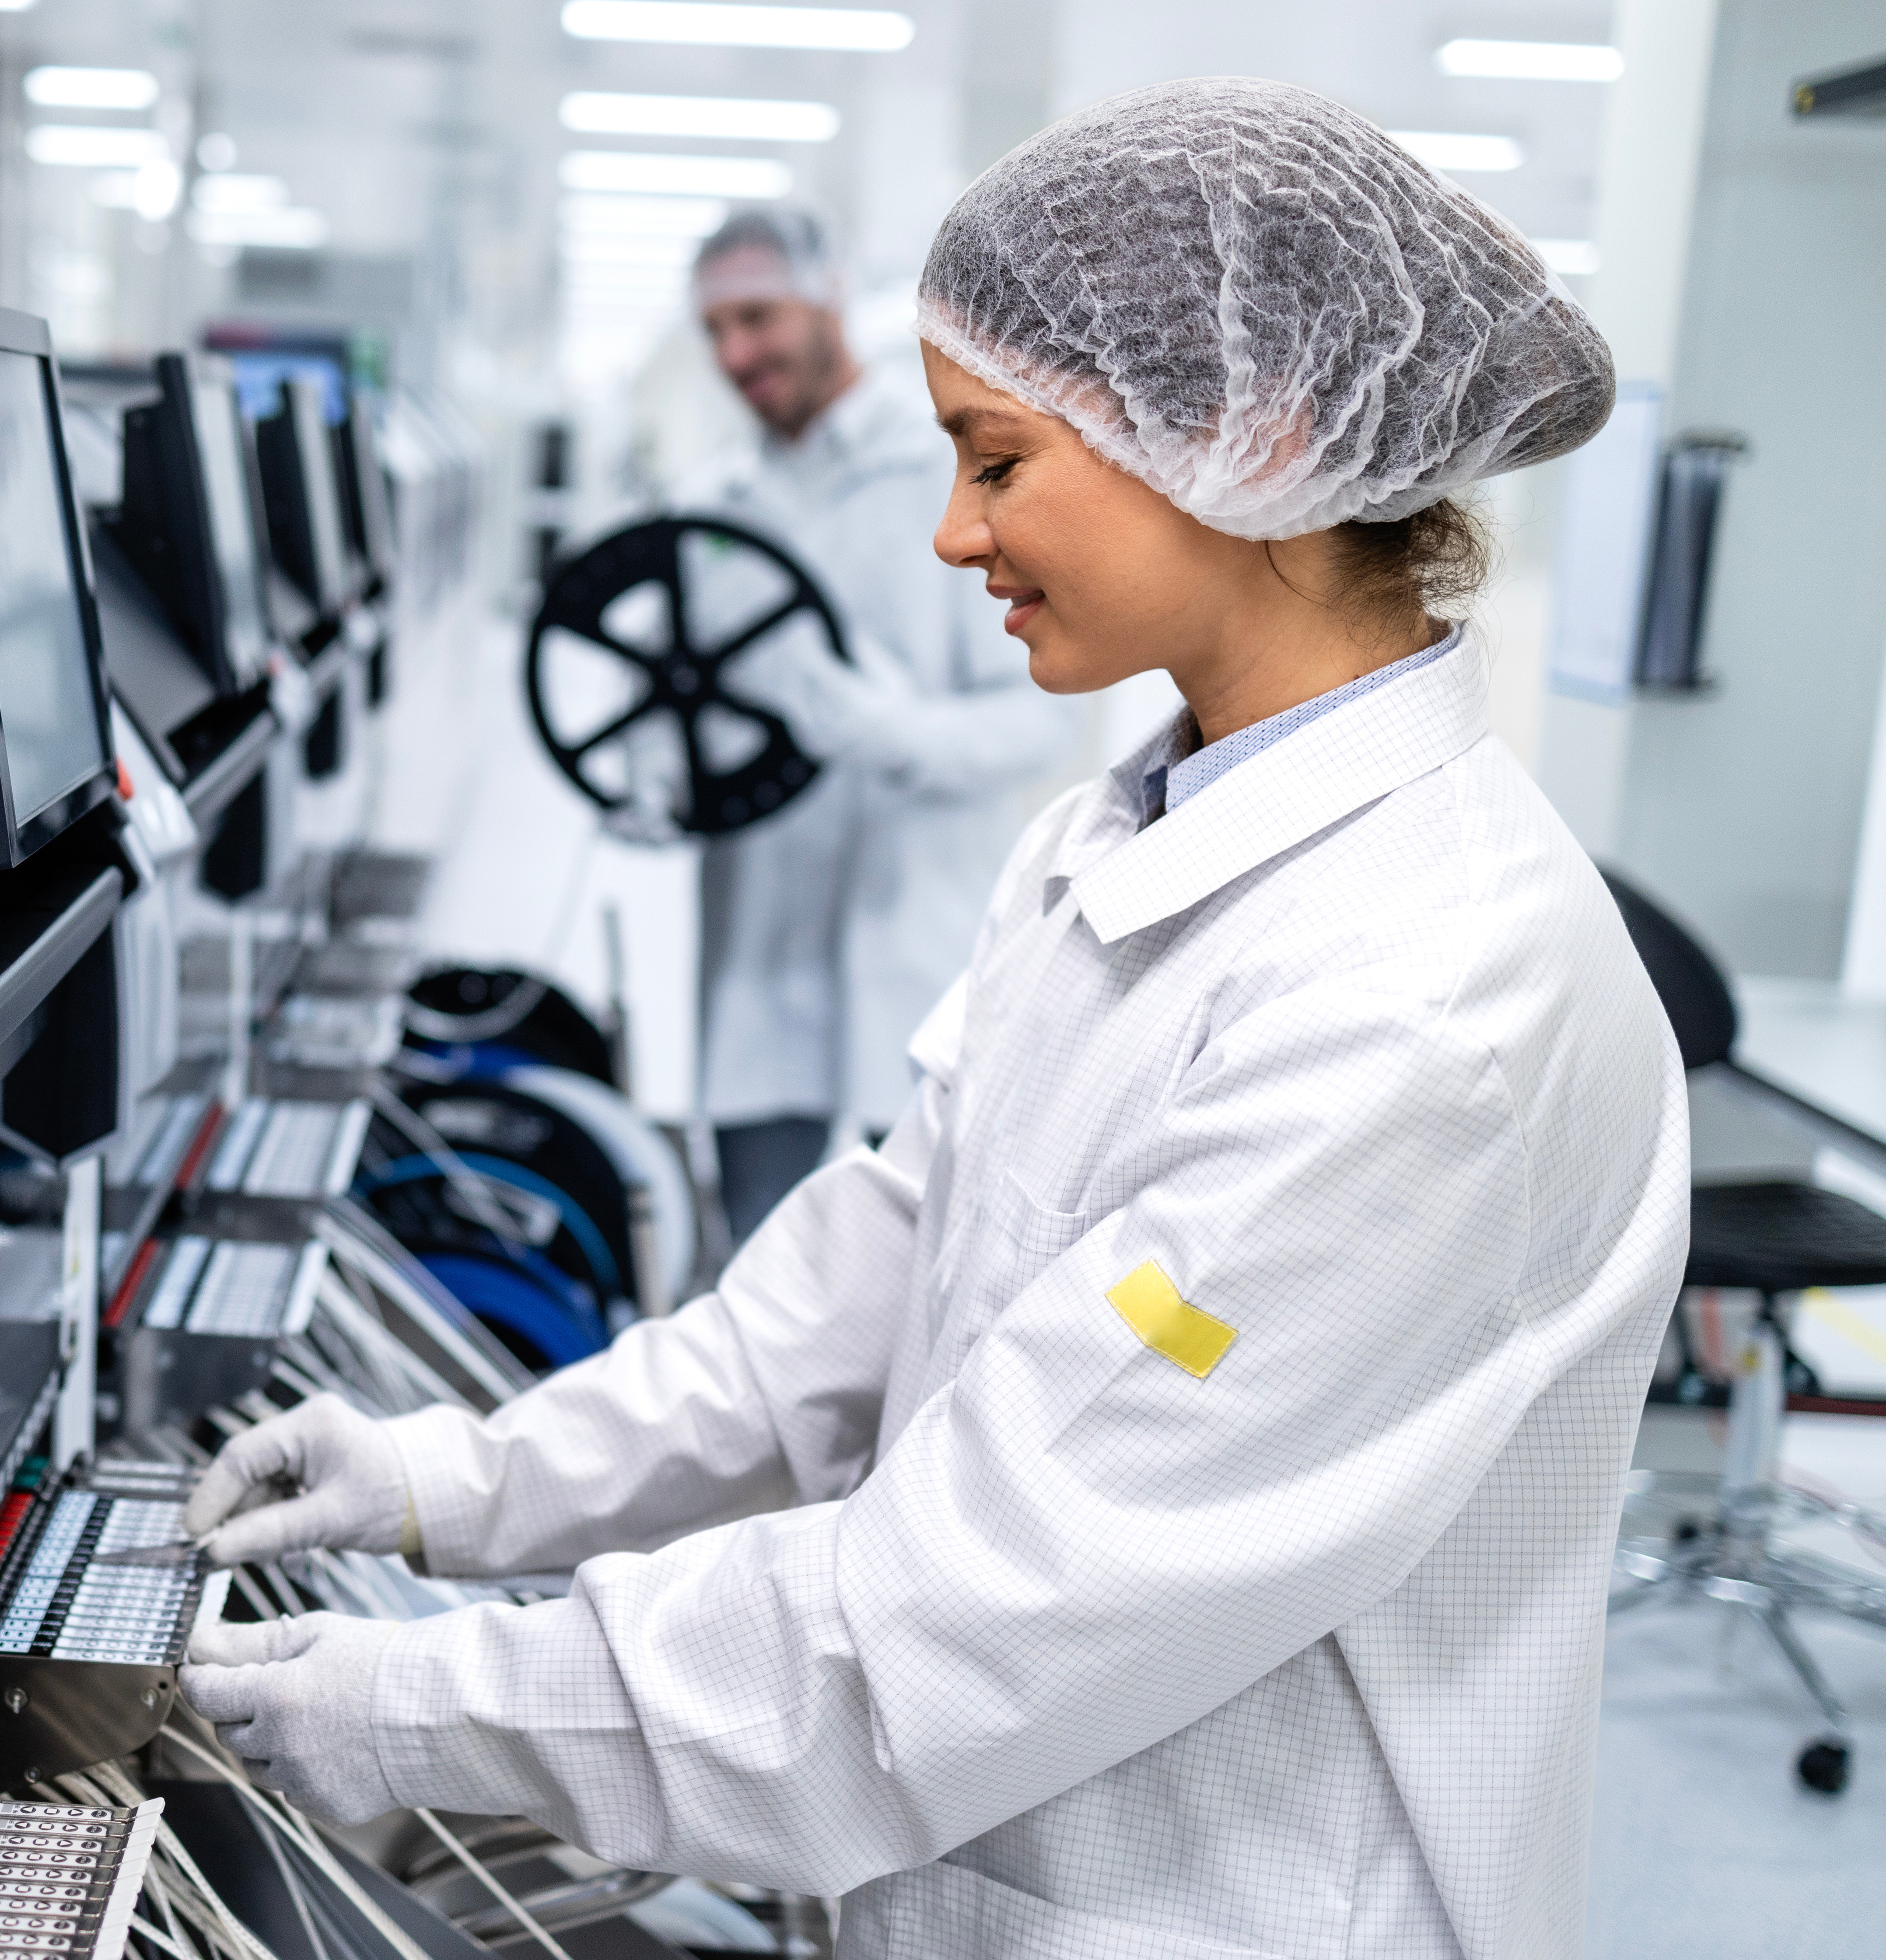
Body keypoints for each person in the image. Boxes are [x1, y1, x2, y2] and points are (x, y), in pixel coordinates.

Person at [180, 78, 1690, 1960]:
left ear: (1259, 437)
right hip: (990, 1868)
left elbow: (963, 1619)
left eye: (997, 460)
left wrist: (416, 1707)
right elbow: (872, 1278)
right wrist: (453, 1480)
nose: (954, 535)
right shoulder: (1118, 839)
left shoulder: (1428, 1002)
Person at [665, 207, 1072, 1239]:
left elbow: (1040, 720)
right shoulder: (715, 502)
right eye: (715, 330)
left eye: (758, 318)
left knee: (922, 1256)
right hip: (758, 948)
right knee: (757, 1249)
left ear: (827, 300)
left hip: (915, 937)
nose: (736, 354)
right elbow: (673, 686)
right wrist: (653, 767)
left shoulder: (953, 471)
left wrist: (895, 734)